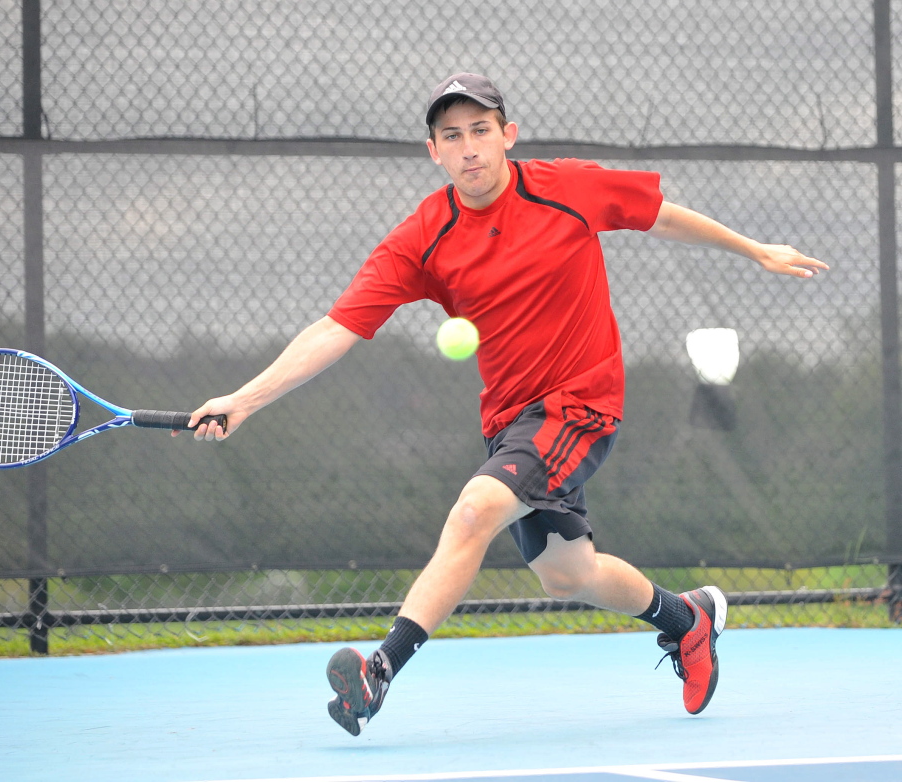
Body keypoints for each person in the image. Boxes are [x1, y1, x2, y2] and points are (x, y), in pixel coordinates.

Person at [179, 73, 828, 735]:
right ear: (433, 150)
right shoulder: (423, 238)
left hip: (581, 403)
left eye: (480, 131)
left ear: (508, 136)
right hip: (513, 423)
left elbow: (660, 216)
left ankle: (380, 670)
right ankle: (687, 621)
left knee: (475, 509)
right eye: (452, 136)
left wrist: (753, 250)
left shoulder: (568, 187)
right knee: (568, 575)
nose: (469, 149)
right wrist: (245, 399)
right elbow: (335, 328)